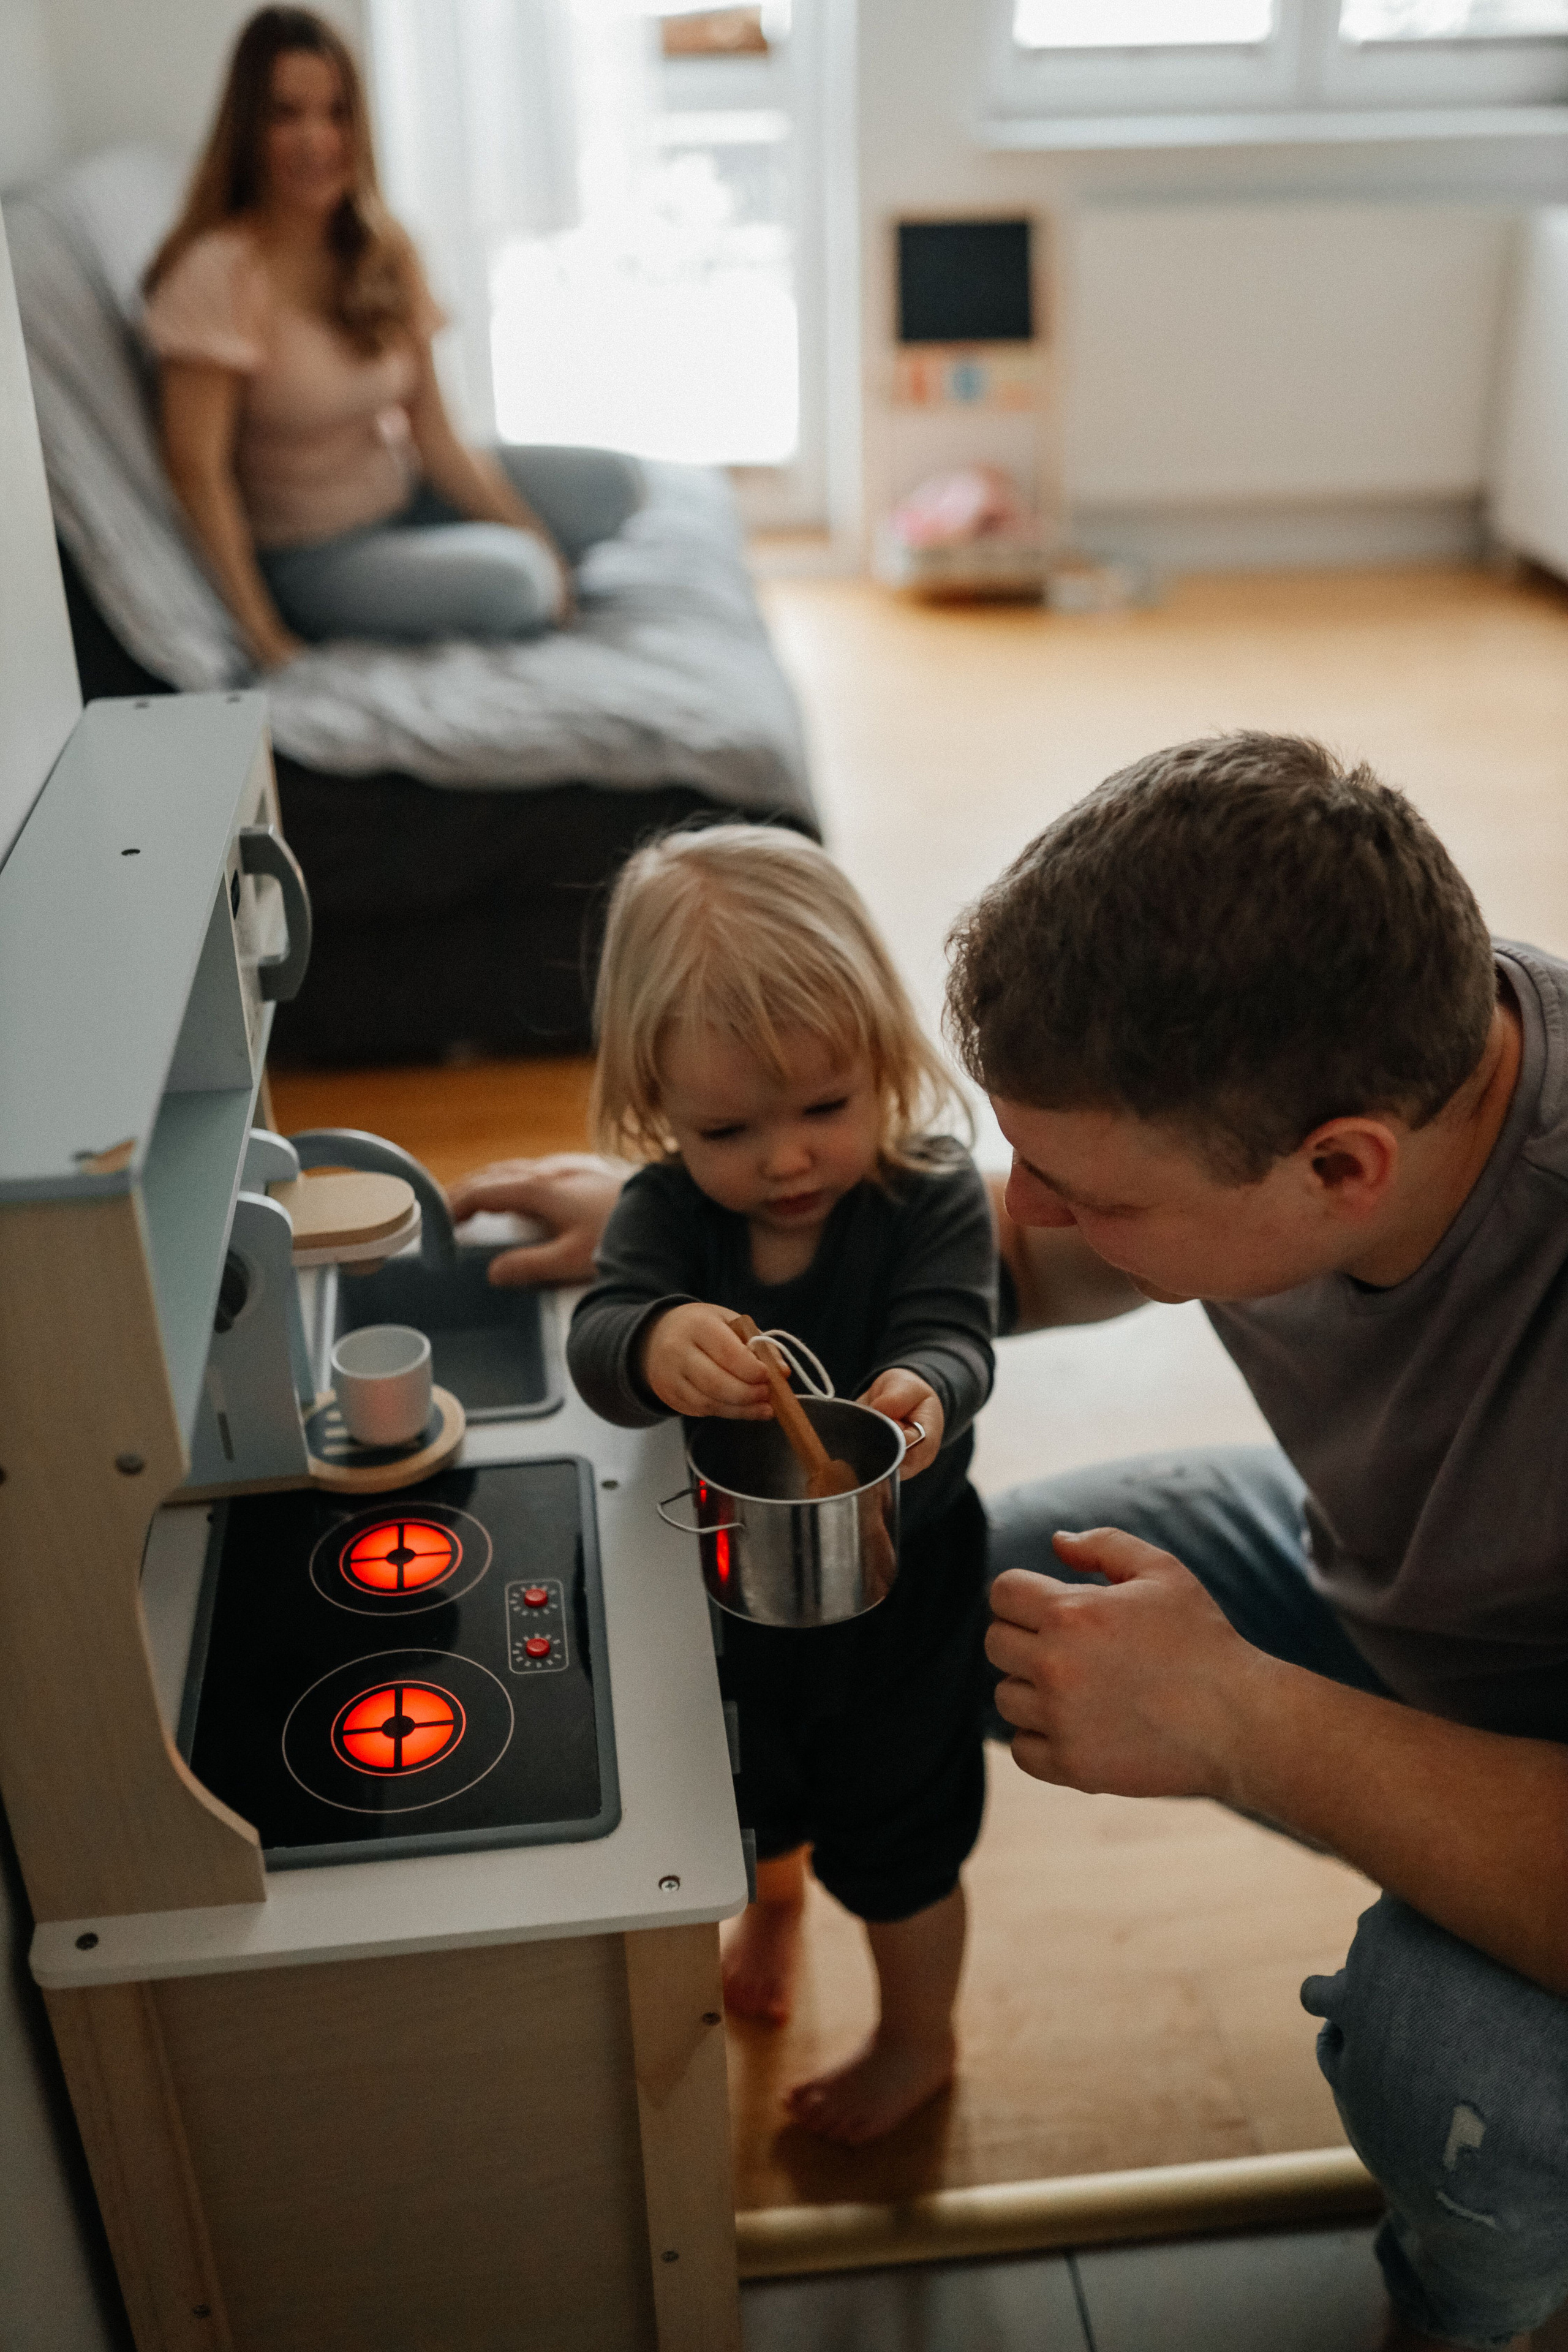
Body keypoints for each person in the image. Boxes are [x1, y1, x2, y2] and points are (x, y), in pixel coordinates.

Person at [448, 735, 1568, 2351]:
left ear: (1339, 1169)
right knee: (964, 1603)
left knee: (1459, 2090)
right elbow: (1000, 1258)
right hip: (1394, 1587)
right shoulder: (1387, 1057)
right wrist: (694, 1236)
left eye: (1080, 1182)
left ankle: (1469, 2314)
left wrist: (1246, 1721)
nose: (1023, 1208)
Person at [563, 824, 997, 2147]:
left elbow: (955, 1334)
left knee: (901, 1841)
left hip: (903, 1608)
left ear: (883, 1055)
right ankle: (774, 1895)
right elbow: (599, 1344)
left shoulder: (926, 1199)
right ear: (656, 1105)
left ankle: (916, 2039)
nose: (787, 1159)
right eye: (727, 1129)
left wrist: (926, 1388)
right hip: (725, 1605)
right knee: (748, 1792)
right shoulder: (662, 1217)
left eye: (825, 1107)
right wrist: (648, 1341)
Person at [141, 7, 643, 672]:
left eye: (336, 113)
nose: (316, 140)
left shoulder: (382, 247)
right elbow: (195, 473)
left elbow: (434, 433)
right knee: (518, 586)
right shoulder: (218, 272)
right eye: (285, 114)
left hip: (406, 493)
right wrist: (263, 634)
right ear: (247, 129)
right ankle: (484, 573)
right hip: (317, 554)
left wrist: (534, 535)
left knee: (617, 486)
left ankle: (493, 560)